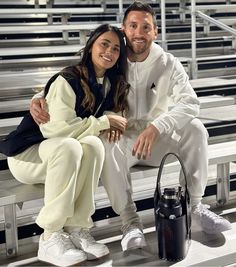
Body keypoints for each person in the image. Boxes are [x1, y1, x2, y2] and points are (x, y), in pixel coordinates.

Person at [30, 1, 232, 252]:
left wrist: (157, 127)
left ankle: (195, 207)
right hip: (122, 140)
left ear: (155, 32)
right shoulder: (112, 58)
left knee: (196, 128)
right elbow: (77, 75)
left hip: (155, 139)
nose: (139, 33)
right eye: (133, 26)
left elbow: (190, 102)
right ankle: (129, 222)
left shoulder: (168, 63)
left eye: (145, 27)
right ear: (124, 29)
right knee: (104, 139)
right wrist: (40, 96)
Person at [0, 24, 130, 266]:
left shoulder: (110, 83)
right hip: (27, 154)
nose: (109, 52)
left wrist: (108, 119)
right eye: (104, 44)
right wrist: (104, 121)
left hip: (58, 157)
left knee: (93, 145)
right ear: (91, 45)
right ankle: (50, 235)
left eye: (115, 49)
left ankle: (77, 227)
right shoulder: (68, 78)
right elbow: (55, 130)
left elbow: (95, 125)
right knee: (70, 146)